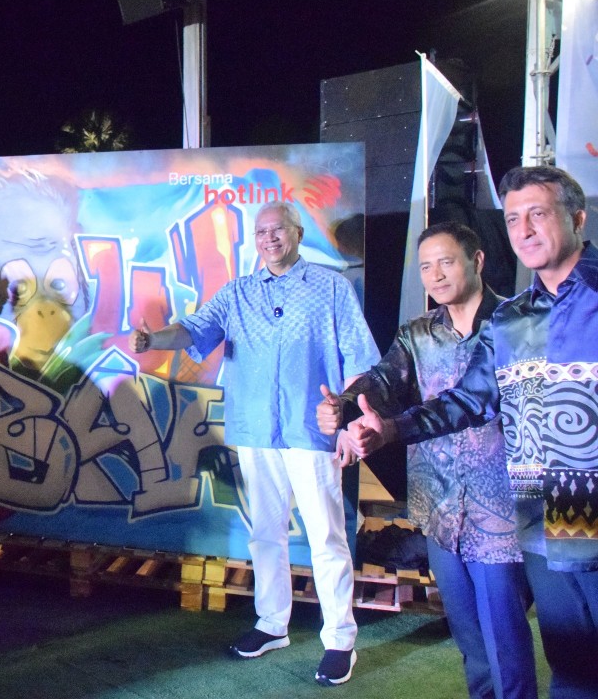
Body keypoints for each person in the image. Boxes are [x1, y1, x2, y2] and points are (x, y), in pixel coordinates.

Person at [344, 166, 598, 698]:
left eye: (538, 214)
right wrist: (390, 429)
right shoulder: (515, 320)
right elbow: (469, 399)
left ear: (578, 219)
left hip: (574, 511)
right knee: (573, 669)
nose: (524, 229)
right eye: (513, 219)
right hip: (545, 518)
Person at [130, 201, 378, 687]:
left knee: (326, 536)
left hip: (313, 430)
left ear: (297, 233)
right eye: (262, 232)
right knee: (265, 532)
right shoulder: (237, 293)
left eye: (278, 230)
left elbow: (358, 358)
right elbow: (195, 330)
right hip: (256, 430)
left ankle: (339, 640)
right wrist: (154, 339)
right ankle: (271, 624)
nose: (269, 239)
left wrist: (351, 423)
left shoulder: (332, 287)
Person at [318, 222, 536, 699]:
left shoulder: (515, 324)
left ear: (477, 261)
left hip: (501, 515)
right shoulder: (418, 334)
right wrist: (347, 405)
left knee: (506, 640)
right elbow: (382, 380)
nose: (435, 275)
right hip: (439, 511)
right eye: (425, 266)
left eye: (446, 262)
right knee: (469, 639)